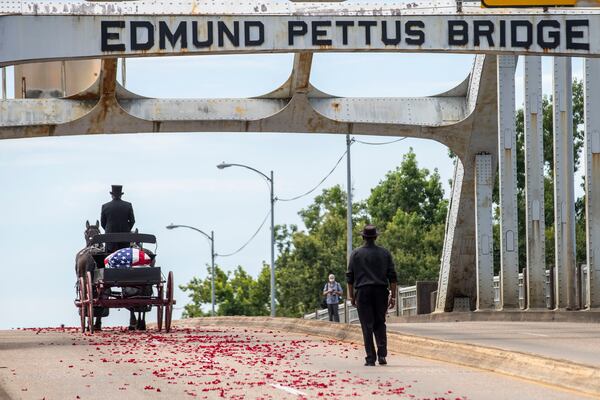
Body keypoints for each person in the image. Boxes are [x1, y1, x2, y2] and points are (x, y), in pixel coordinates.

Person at [346, 224, 397, 366]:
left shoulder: (356, 254)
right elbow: (392, 276)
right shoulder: (385, 253)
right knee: (380, 323)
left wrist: (352, 296)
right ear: (375, 237)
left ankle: (370, 357)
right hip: (381, 291)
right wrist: (393, 296)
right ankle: (382, 355)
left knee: (366, 325)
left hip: (363, 292)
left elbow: (350, 277)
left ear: (363, 237)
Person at [100, 185, 135, 253]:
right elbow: (132, 221)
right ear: (121, 195)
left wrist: (109, 230)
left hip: (110, 239)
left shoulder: (105, 206)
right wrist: (126, 229)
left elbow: (102, 223)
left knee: (109, 254)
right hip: (124, 238)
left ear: (112, 195)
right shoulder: (128, 205)